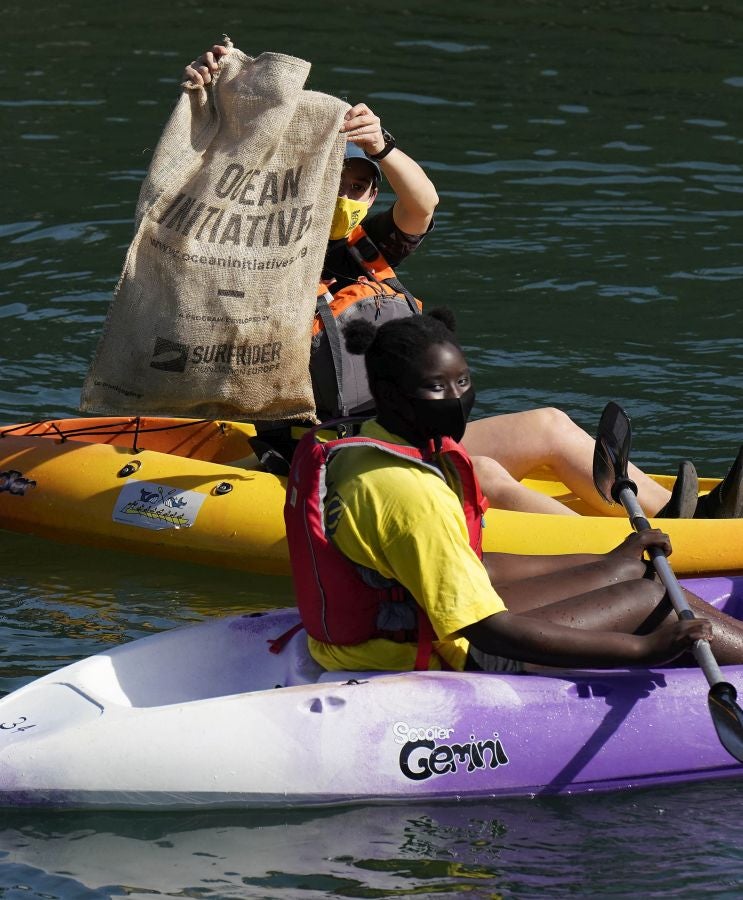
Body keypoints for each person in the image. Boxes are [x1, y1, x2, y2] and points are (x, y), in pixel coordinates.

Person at [184, 46, 743, 520]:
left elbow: (422, 201)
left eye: (361, 188)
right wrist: (212, 105)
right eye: (339, 184)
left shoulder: (366, 247)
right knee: (488, 473)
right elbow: (214, 202)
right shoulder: (256, 263)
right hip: (335, 456)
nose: (351, 198)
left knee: (548, 423)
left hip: (407, 434)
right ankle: (621, 549)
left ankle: (681, 516)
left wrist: (380, 146)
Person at [284, 309, 743, 674]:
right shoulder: (409, 492)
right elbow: (487, 632)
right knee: (648, 600)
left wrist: (608, 562)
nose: (454, 398)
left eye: (461, 382)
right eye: (435, 387)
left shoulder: (364, 449)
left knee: (635, 575)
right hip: (419, 651)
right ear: (389, 392)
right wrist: (641, 649)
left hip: (407, 625)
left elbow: (472, 565)